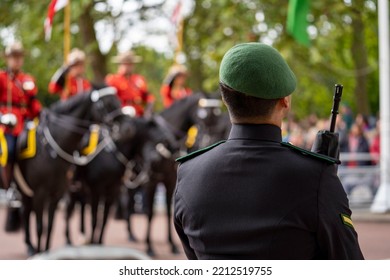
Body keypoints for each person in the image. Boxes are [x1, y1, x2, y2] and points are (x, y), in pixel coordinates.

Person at [174, 42, 364, 260]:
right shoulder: (315, 176)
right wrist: (323, 185)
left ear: (226, 100)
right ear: (285, 101)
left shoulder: (187, 173)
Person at [0, 41, 42, 188]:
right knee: (9, 150)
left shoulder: (27, 79)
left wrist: (42, 114)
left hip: (26, 123)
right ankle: (7, 185)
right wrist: (1, 117)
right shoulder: (2, 77)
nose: (17, 60)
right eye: (13, 56)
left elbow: (33, 103)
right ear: (8, 59)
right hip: (7, 124)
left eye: (19, 57)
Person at [105, 51, 154, 117]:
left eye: (130, 64)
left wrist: (148, 110)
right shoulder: (112, 80)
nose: (128, 66)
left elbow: (148, 97)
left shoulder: (139, 79)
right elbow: (109, 101)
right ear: (120, 64)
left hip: (139, 116)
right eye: (125, 63)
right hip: (121, 116)